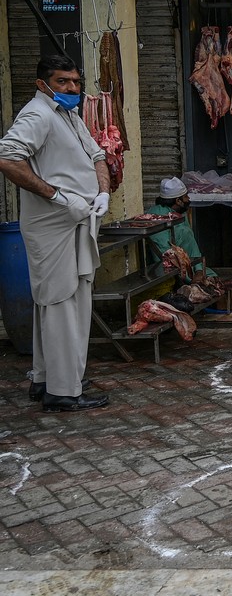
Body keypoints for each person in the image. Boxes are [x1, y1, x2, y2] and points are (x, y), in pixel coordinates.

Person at [0, 56, 110, 412]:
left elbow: (97, 155)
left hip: (76, 223)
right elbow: (7, 158)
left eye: (76, 82)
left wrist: (103, 191)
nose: (72, 89)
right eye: (62, 82)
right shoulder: (38, 115)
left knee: (56, 304)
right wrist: (58, 196)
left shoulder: (68, 115)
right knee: (64, 304)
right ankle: (64, 391)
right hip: (54, 227)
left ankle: (46, 378)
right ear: (42, 84)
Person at [146, 177, 216, 277]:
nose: (188, 199)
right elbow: (163, 251)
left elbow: (191, 245)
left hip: (184, 259)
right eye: (186, 196)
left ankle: (198, 270)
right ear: (178, 201)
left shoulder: (178, 213)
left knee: (212, 276)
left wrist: (198, 269)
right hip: (168, 263)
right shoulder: (156, 216)